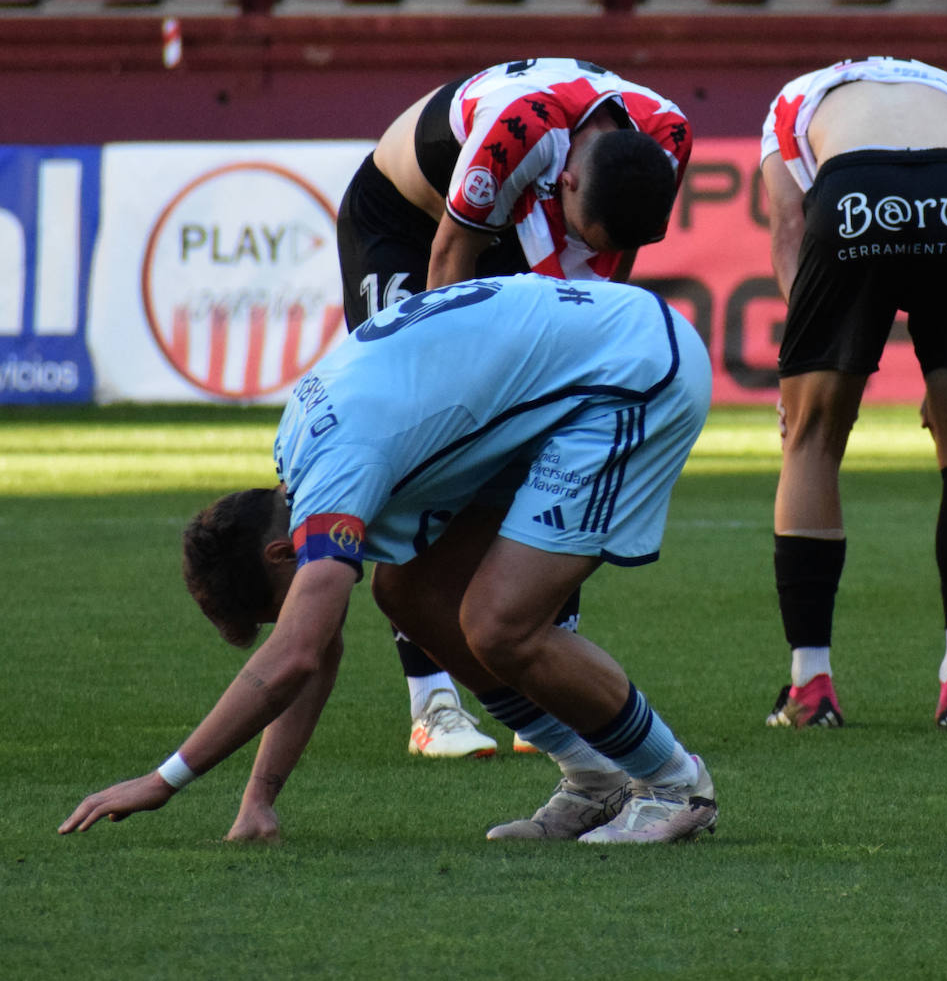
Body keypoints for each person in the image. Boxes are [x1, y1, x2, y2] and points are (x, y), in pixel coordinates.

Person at [59, 274, 717, 845]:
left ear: (280, 551)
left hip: (630, 372)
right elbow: (312, 645)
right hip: (585, 361)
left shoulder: (340, 468)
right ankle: (595, 775)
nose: (292, 620)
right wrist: (258, 796)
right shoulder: (299, 450)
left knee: (500, 623)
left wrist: (165, 778)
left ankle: (672, 784)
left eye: (277, 606)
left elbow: (299, 652)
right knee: (407, 593)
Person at [336, 58, 694, 756]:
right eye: (589, 234)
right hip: (414, 226)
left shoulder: (666, 140)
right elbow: (448, 271)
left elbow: (595, 292)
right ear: (565, 184)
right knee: (428, 437)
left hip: (509, 219)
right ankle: (432, 702)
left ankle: (539, 661)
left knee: (553, 424)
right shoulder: (518, 134)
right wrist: (458, 417)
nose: (598, 252)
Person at [757, 57, 947, 732]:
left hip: (853, 190)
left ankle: (811, 688)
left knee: (811, 439)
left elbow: (789, 233)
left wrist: (811, 358)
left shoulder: (793, 99)